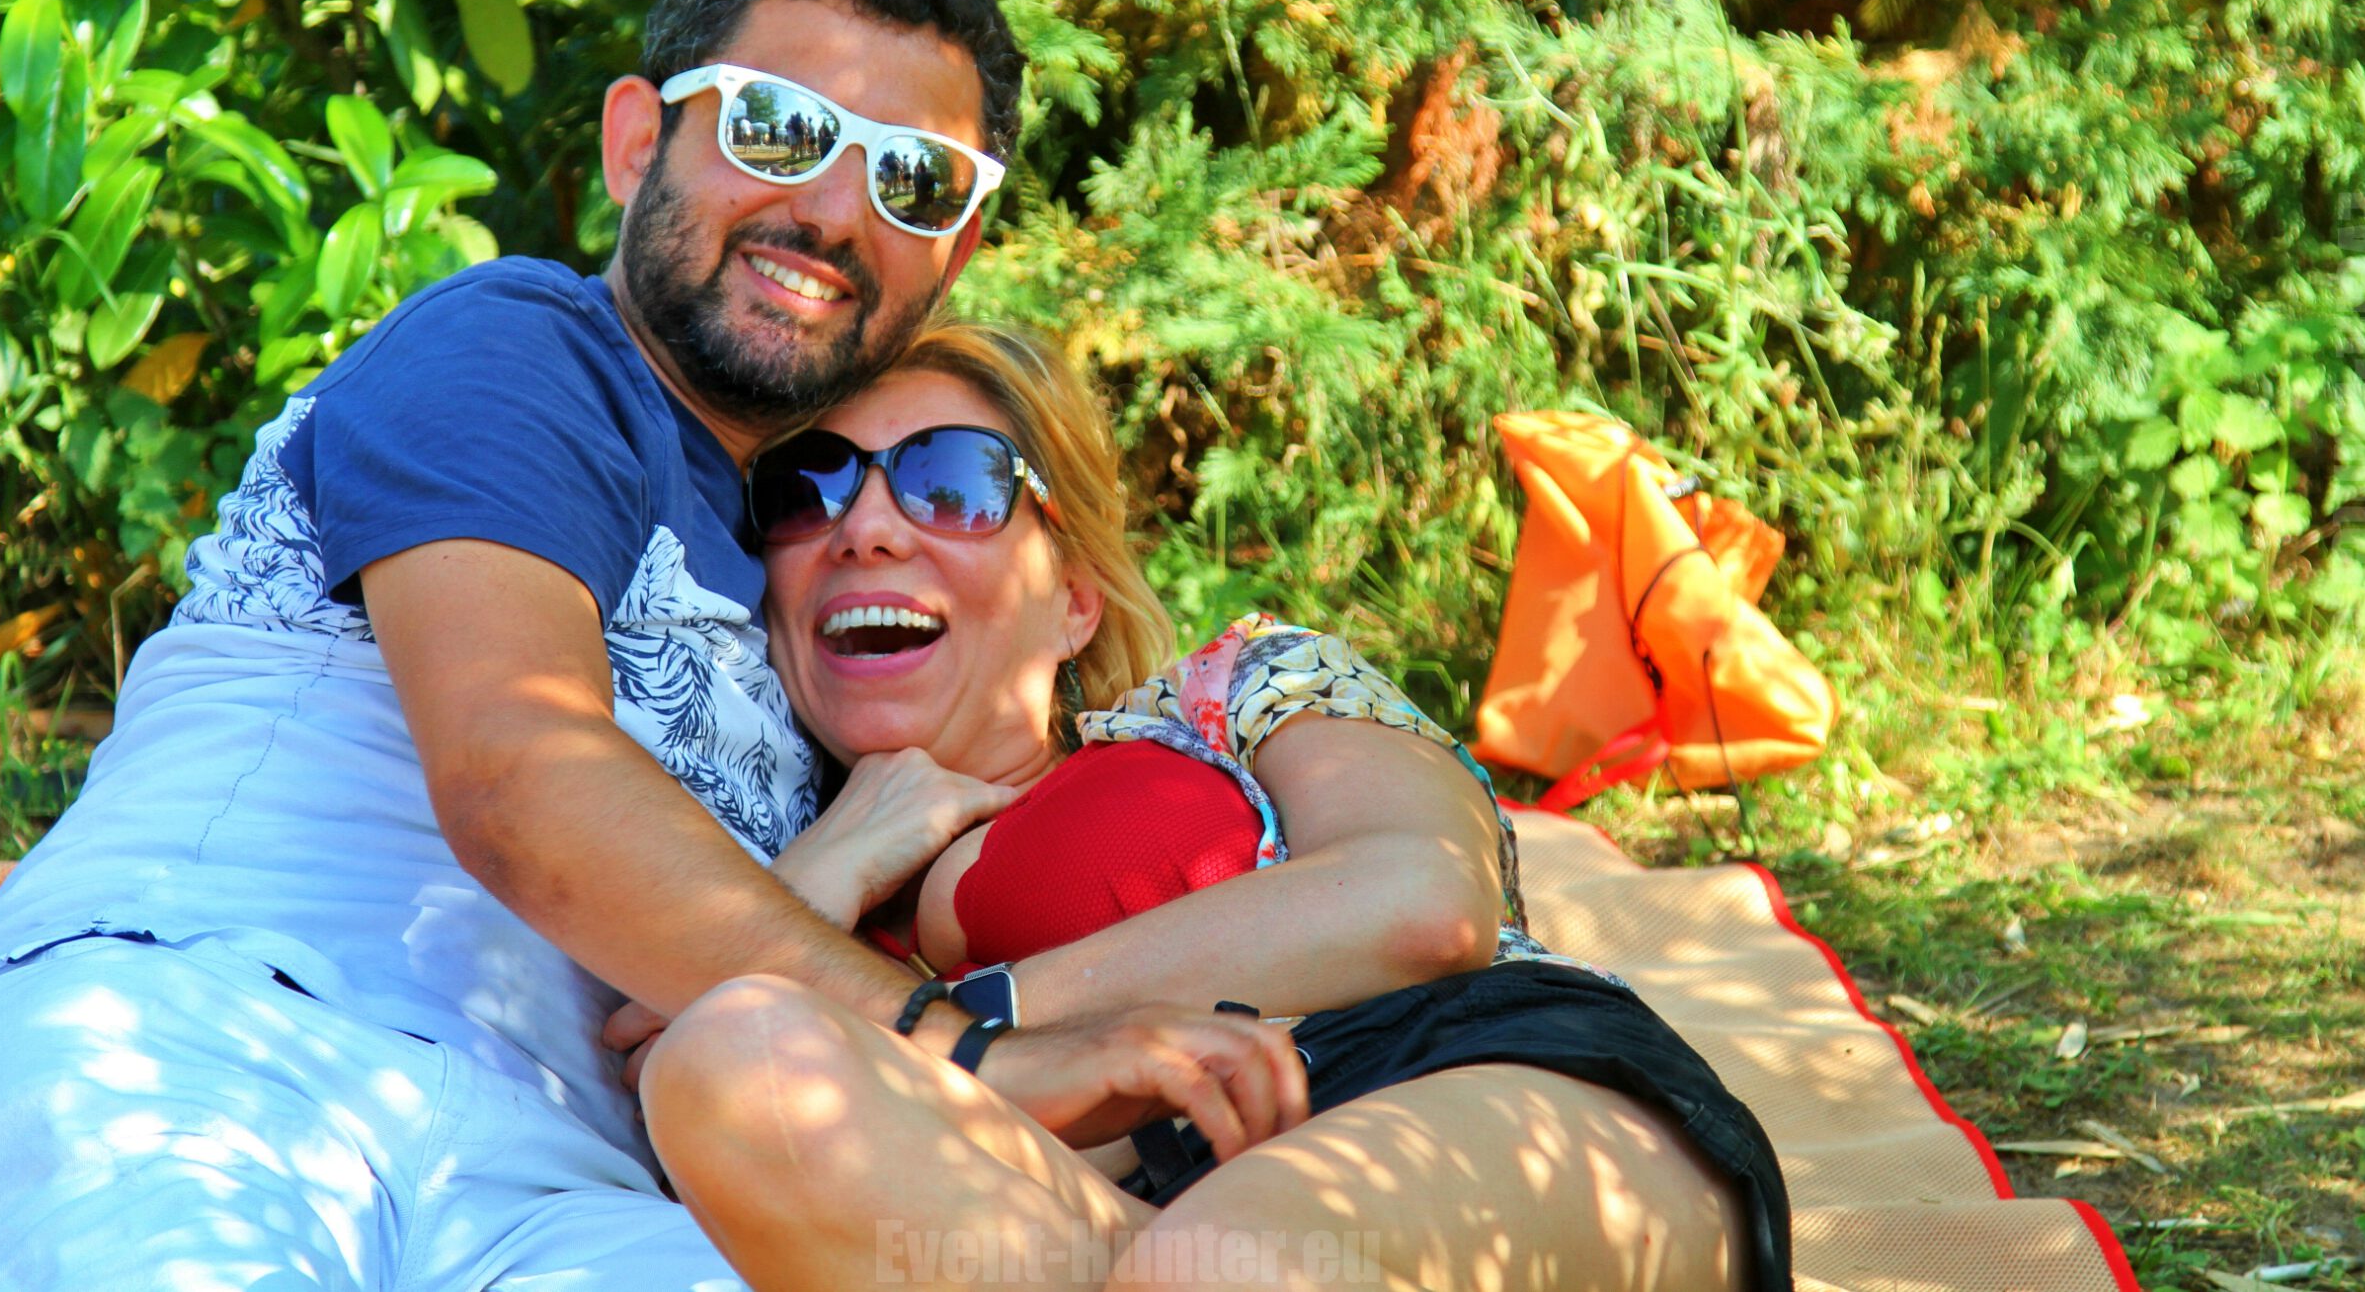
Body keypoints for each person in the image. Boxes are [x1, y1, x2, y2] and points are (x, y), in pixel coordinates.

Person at [0, 0, 1304, 1292]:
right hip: (216, 1031)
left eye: (912, 179)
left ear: (957, 250)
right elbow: (521, 775)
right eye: (779, 128)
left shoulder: (821, 579)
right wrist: (967, 1050)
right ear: (637, 143)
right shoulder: (517, 351)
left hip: (561, 1189)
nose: (831, 210)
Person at [628, 321, 1794, 1292]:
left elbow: (1423, 900)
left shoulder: (1233, 691)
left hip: (1458, 1074)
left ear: (1074, 600)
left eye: (954, 484)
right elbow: (672, 1092)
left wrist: (979, 1030)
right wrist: (818, 878)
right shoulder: (795, 874)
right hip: (1135, 1220)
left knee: (1217, 1264)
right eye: (806, 488)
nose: (866, 529)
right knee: (729, 1058)